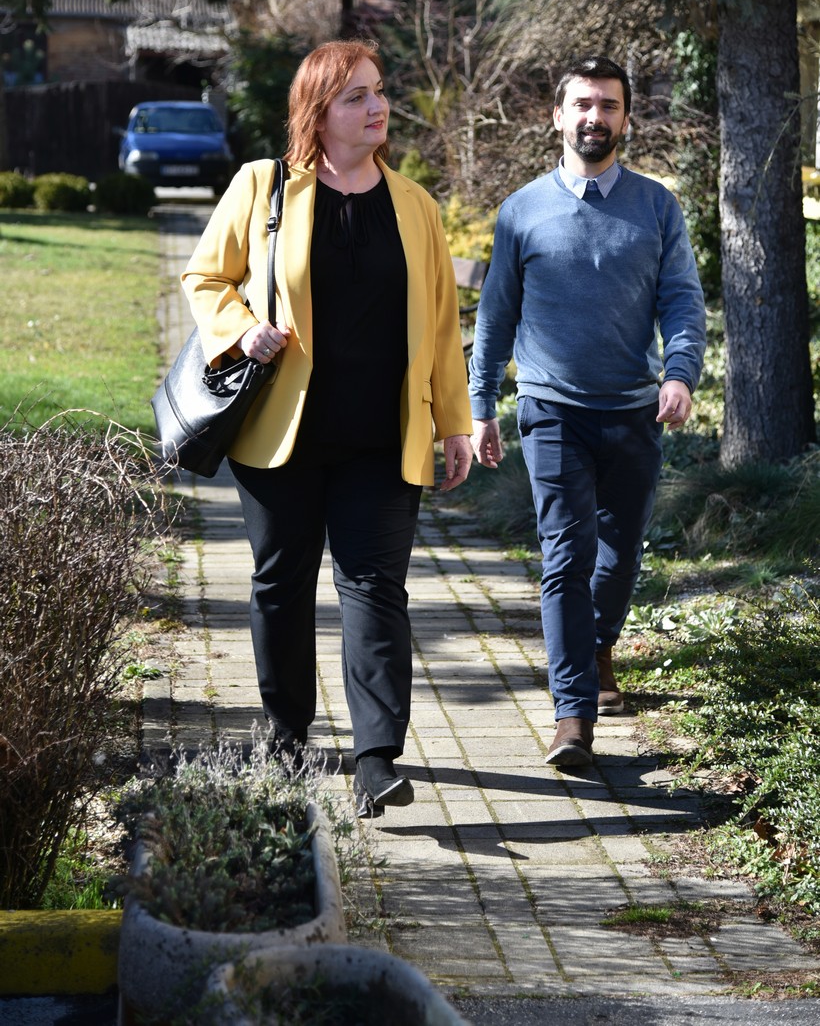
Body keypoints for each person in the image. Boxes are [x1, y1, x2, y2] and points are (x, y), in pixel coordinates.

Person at [181, 39, 473, 815]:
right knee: (281, 585)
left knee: (375, 589)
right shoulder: (262, 186)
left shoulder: (416, 206)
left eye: (379, 91)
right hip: (282, 436)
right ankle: (286, 734)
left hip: (382, 438)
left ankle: (376, 757)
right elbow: (205, 276)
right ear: (317, 113)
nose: (378, 107)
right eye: (356, 97)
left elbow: (442, 325)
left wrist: (455, 423)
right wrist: (241, 329)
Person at [468, 54, 706, 767]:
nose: (594, 117)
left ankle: (598, 646)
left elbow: (681, 300)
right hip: (552, 409)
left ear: (625, 118)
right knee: (566, 556)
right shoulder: (522, 210)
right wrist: (482, 406)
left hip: (633, 411)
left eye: (608, 105)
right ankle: (572, 715)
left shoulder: (656, 206)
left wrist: (680, 374)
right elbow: (496, 315)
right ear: (557, 116)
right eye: (582, 104)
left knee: (620, 554)